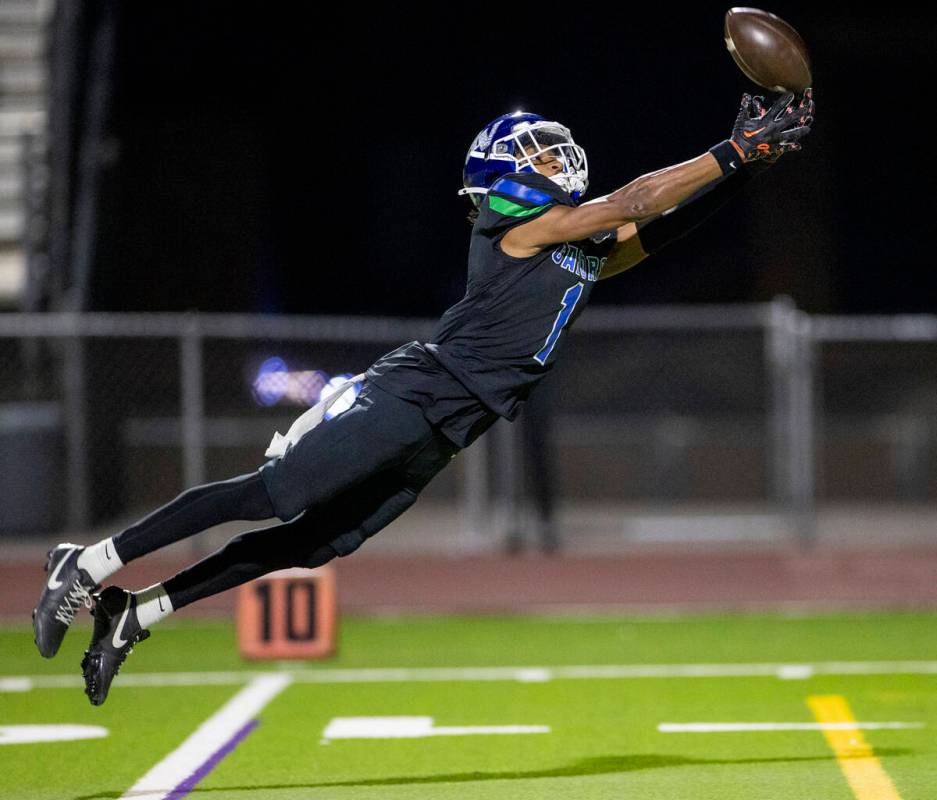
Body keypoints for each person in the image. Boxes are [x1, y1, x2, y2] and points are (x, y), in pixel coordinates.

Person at [32, 90, 814, 705]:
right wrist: (732, 148)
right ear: (501, 175)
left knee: (312, 544)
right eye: (534, 154)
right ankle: (91, 560)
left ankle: (140, 611)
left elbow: (654, 229)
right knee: (273, 494)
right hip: (413, 393)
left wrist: (742, 171)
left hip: (447, 425)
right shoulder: (520, 232)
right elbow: (637, 200)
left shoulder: (572, 249)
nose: (551, 159)